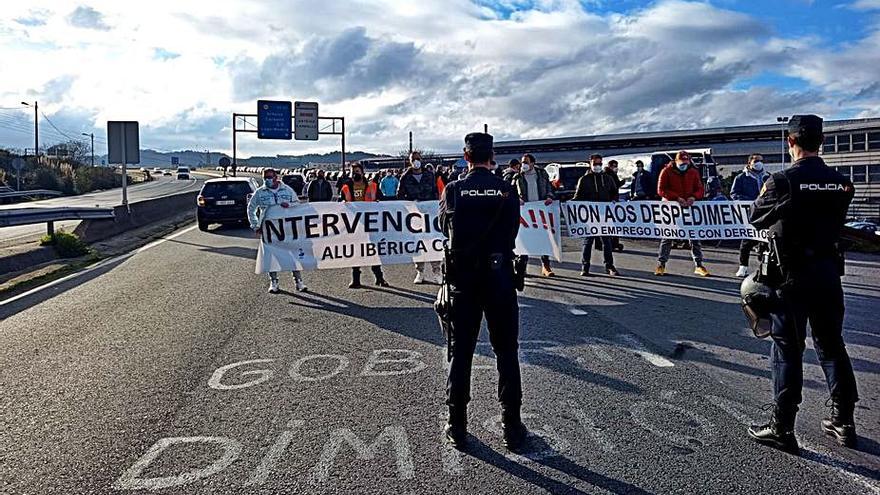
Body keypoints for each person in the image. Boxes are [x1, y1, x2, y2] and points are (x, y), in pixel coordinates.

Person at [746, 115, 859, 453]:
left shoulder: (782, 181)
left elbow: (757, 216)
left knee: (786, 350)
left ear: (790, 142)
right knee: (831, 345)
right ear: (820, 142)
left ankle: (781, 426)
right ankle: (843, 420)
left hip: (790, 277)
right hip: (827, 274)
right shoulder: (841, 182)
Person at [439, 132, 527, 451]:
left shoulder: (454, 190)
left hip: (463, 281)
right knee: (506, 351)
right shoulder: (506, 189)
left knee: (461, 352)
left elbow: (443, 227)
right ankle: (512, 426)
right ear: (492, 158)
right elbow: (513, 230)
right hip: (499, 277)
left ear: (466, 157)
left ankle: (457, 425)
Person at [247, 168, 307, 293]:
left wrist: (289, 205)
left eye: (269, 177)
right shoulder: (260, 193)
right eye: (265, 178)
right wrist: (255, 225)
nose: (267, 180)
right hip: (269, 229)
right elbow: (251, 209)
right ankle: (273, 282)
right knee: (270, 255)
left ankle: (298, 281)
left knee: (292, 254)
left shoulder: (287, 190)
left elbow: (297, 204)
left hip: (287, 228)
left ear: (275, 177)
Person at [654, 151, 710, 277]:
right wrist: (676, 198)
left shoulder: (693, 172)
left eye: (686, 162)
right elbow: (661, 190)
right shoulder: (666, 171)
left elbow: (700, 189)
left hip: (689, 207)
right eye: (681, 163)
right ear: (676, 161)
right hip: (672, 208)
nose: (684, 165)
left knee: (694, 236)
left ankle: (699, 265)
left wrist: (693, 197)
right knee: (667, 236)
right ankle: (661, 264)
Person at [339, 162, 389, 288]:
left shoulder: (372, 186)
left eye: (357, 171)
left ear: (362, 172)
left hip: (370, 223)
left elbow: (380, 200)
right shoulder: (346, 187)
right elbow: (339, 203)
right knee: (356, 250)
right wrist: (343, 203)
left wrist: (378, 202)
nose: (355, 173)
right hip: (354, 224)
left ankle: (379, 277)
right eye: (353, 171)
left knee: (374, 250)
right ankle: (356, 279)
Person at [398, 151, 442, 284]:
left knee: (433, 243)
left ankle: (437, 272)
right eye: (413, 159)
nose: (416, 161)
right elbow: (400, 195)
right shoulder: (405, 177)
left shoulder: (430, 175)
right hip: (414, 216)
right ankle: (420, 272)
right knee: (417, 244)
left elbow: (435, 193)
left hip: (430, 215)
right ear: (409, 161)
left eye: (418, 159)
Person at [573, 154, 619, 276]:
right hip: (590, 216)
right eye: (595, 164)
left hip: (605, 215)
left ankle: (609, 266)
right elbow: (578, 197)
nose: (597, 166)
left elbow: (614, 192)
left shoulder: (608, 178)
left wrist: (614, 199)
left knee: (607, 242)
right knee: (588, 242)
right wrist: (570, 204)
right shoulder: (584, 179)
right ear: (590, 164)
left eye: (599, 164)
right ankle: (585, 266)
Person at [511, 153, 556, 277]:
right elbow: (511, 192)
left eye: (526, 162)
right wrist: (516, 199)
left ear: (532, 163)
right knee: (525, 239)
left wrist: (549, 197)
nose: (523, 164)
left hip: (541, 210)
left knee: (543, 238)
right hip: (525, 212)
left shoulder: (542, 174)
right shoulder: (517, 177)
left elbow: (550, 188)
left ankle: (546, 266)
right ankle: (522, 267)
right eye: (522, 162)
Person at [731, 154, 769, 277]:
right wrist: (750, 201)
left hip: (765, 213)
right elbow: (734, 194)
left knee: (765, 242)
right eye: (756, 161)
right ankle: (743, 266)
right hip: (749, 214)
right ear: (749, 163)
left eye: (761, 161)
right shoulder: (741, 178)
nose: (759, 163)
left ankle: (764, 267)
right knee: (747, 242)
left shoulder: (768, 177)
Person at [604, 159, 625, 252]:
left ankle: (612, 243)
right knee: (613, 224)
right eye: (614, 166)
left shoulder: (610, 174)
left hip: (612, 200)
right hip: (611, 201)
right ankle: (613, 243)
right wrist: (621, 183)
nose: (616, 168)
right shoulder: (609, 175)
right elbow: (614, 187)